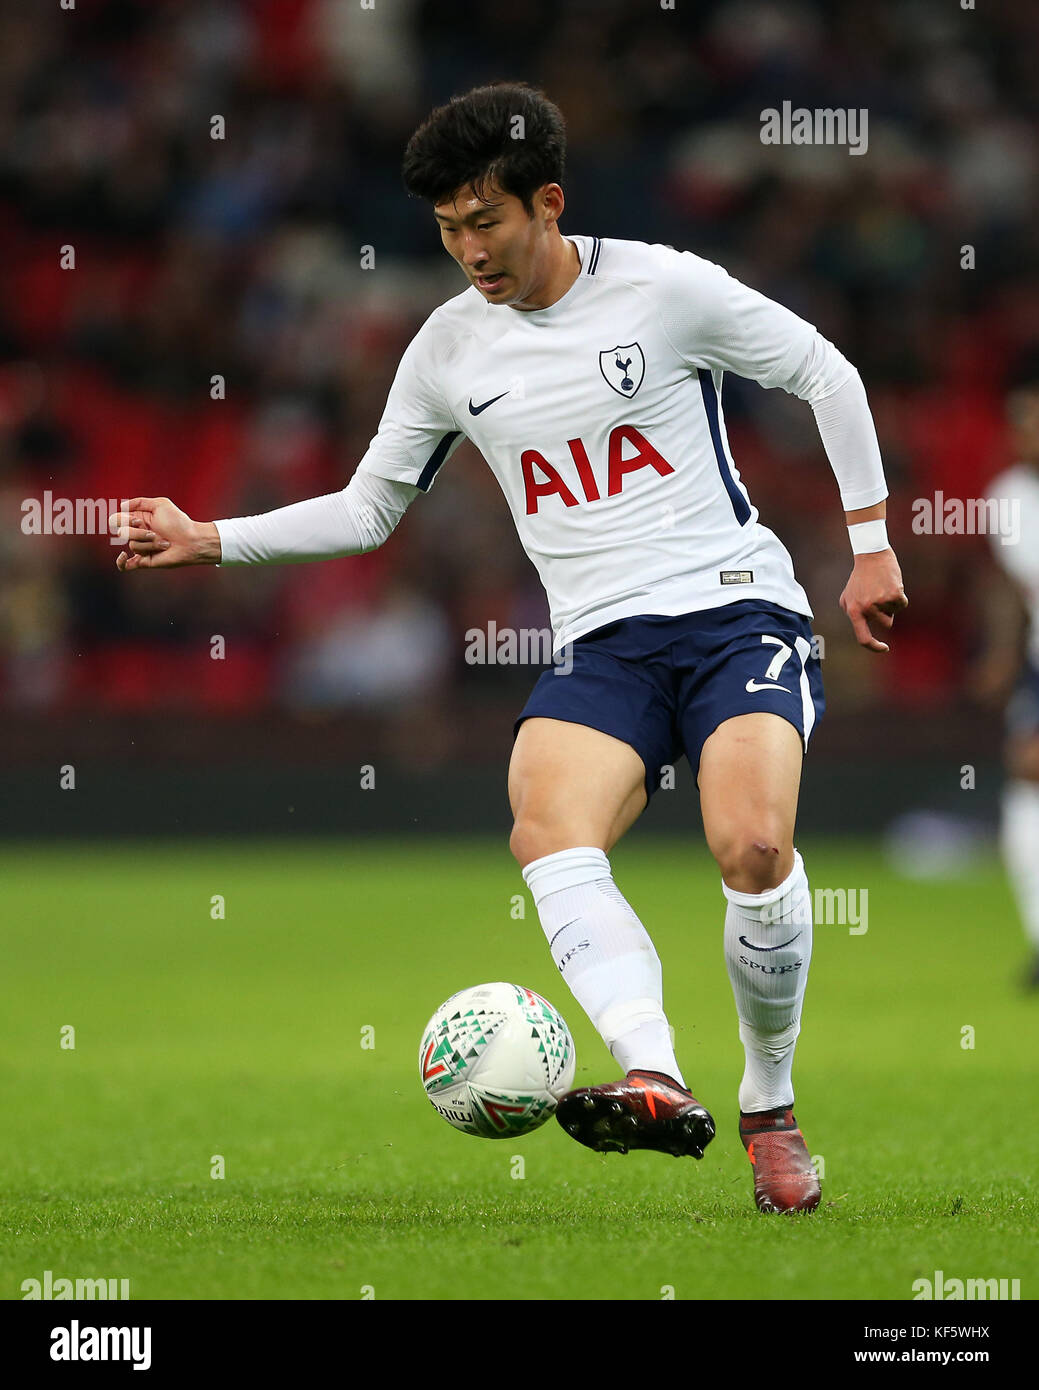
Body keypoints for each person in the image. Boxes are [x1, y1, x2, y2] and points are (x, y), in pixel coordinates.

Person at [110, 82, 908, 1214]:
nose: (468, 249)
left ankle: (768, 1106)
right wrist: (212, 539)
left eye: (485, 221)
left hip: (735, 611)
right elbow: (370, 506)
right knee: (544, 823)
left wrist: (870, 546)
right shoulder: (447, 348)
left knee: (751, 849)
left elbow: (824, 370)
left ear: (549, 203)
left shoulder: (665, 289)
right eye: (446, 229)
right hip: (602, 644)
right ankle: (654, 1072)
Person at [973, 351, 1039, 986]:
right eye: (1019, 421)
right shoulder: (1010, 497)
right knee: (1025, 778)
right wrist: (1000, 654)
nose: (1027, 432)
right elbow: (1012, 588)